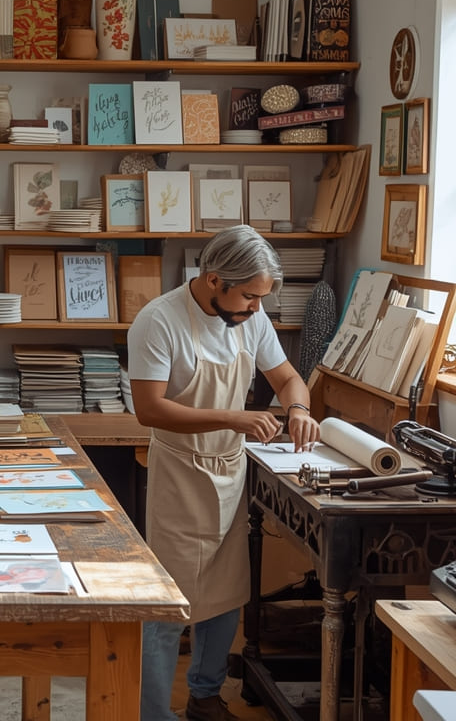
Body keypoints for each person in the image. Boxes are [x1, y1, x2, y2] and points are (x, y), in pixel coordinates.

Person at [126, 225, 320, 721]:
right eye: (250, 296)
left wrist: (297, 407)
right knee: (167, 606)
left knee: (226, 594)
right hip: (180, 472)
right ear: (214, 280)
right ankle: (151, 713)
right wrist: (235, 418)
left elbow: (287, 377)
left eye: (262, 298)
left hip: (231, 469)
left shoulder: (250, 320)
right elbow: (149, 410)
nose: (258, 308)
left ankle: (205, 696)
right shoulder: (159, 321)